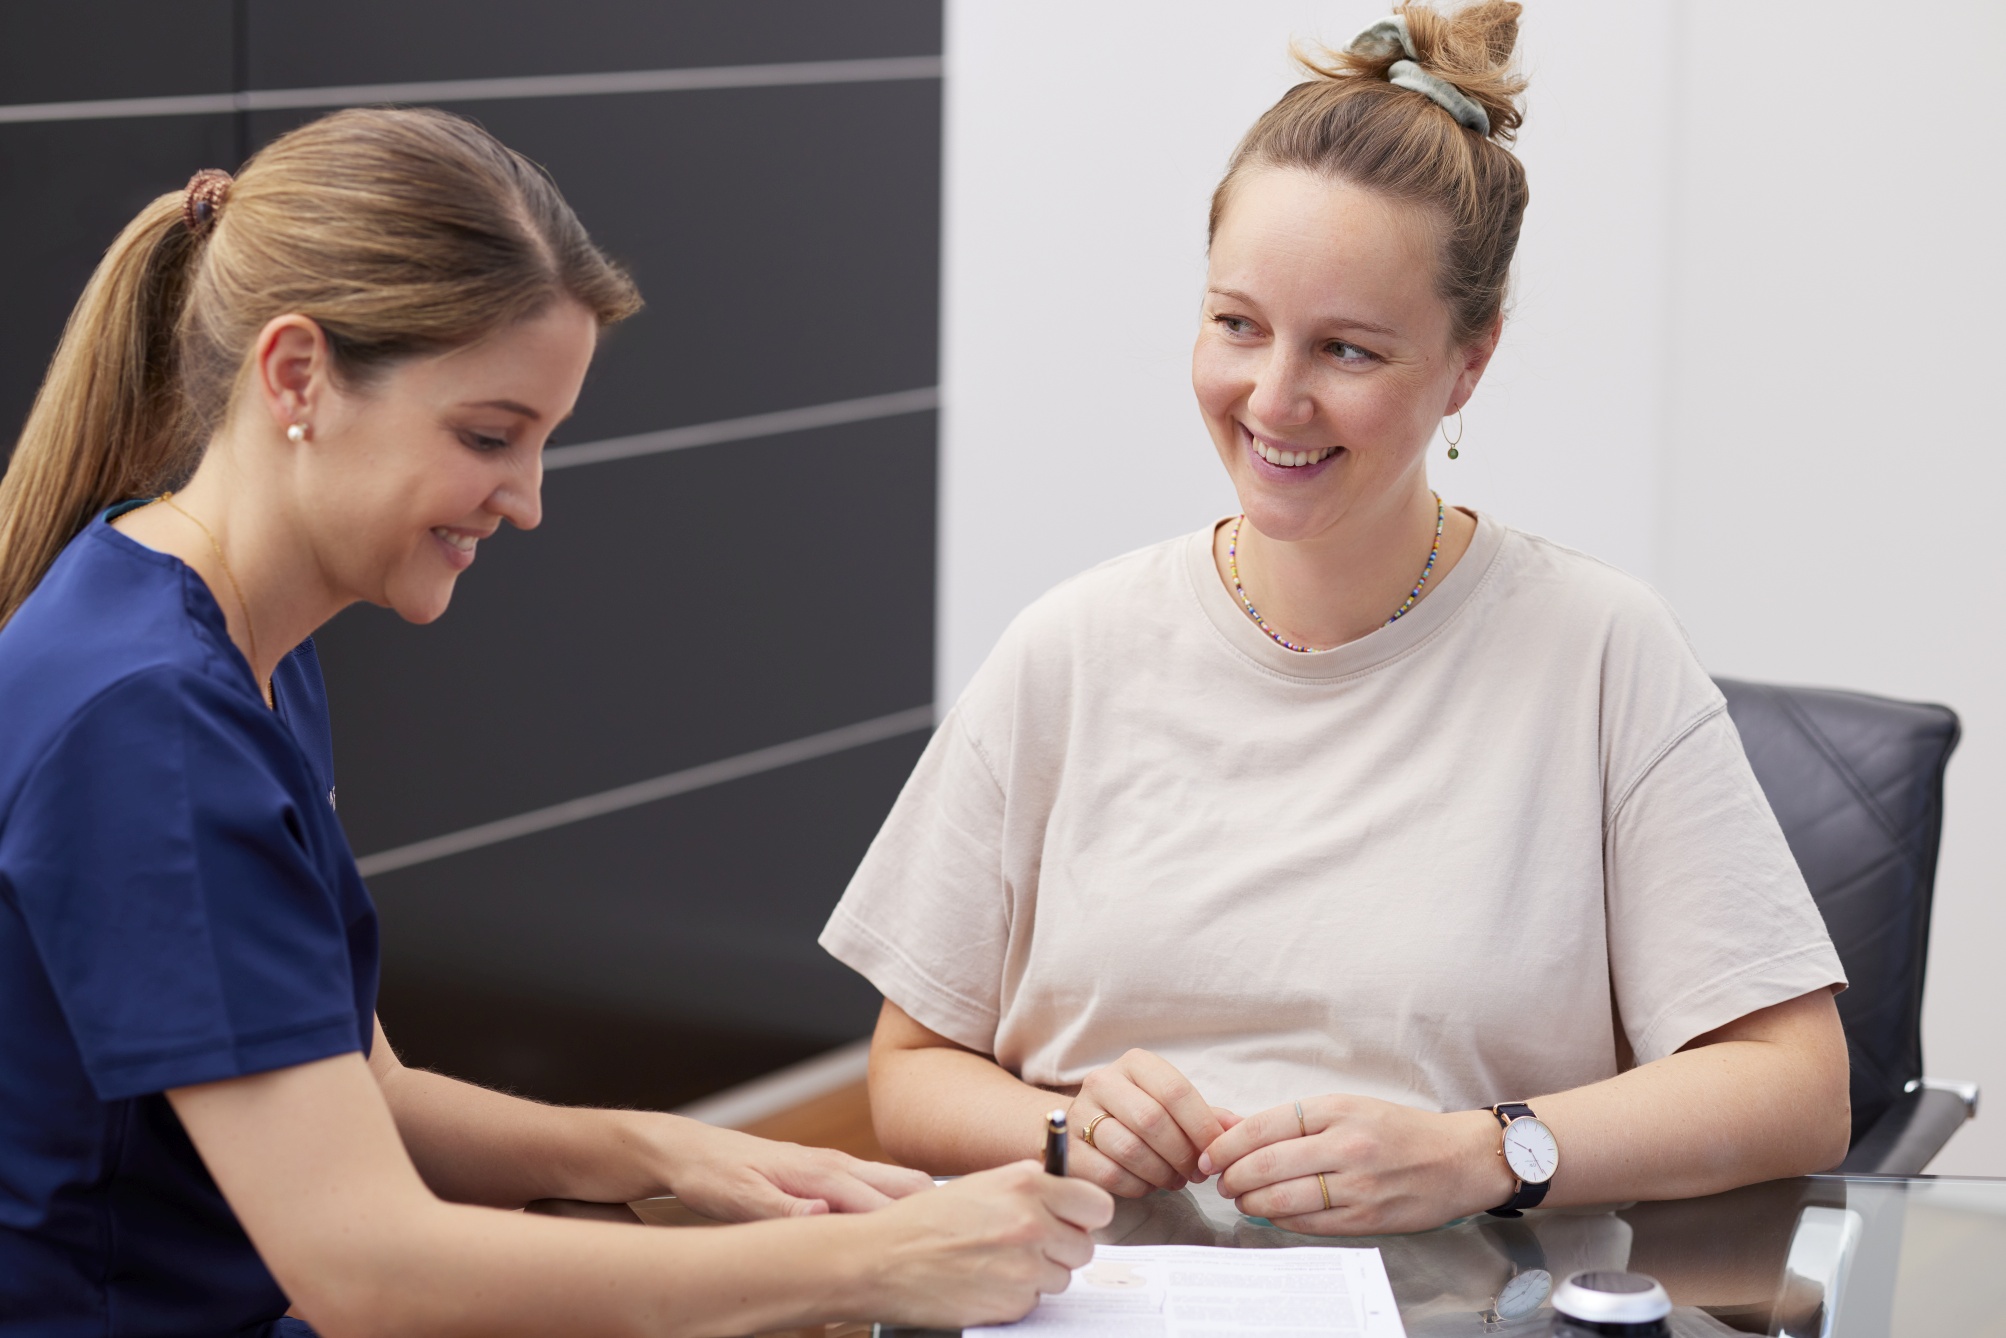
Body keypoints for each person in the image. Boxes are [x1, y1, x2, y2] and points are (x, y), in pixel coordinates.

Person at [0, 107, 1109, 1337]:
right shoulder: (152, 725)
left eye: (540, 444)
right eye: (488, 436)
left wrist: (662, 1152)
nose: (525, 502)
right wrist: (869, 1267)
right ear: (296, 375)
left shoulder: (235, 647)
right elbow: (362, 1269)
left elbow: (360, 1092)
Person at [821, 1, 1851, 1237]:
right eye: (1235, 324)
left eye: (1347, 351)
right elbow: (909, 1071)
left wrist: (1486, 1153)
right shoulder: (1068, 651)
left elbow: (1799, 1089)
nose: (1272, 398)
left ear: (1469, 363)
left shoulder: (1598, 654)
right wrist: (1067, 1124)